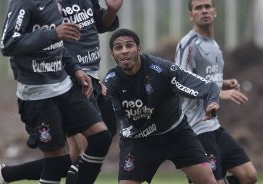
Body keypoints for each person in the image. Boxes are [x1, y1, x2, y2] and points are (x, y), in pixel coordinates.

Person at [0, 0, 114, 184]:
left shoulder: (54, 4)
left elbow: (58, 47)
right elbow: (8, 44)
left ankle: (3, 175)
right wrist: (53, 34)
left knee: (101, 138)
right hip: (38, 95)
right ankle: (3, 175)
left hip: (65, 87)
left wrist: (76, 69)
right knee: (57, 162)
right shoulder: (23, 3)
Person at [103, 28, 220, 184]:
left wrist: (211, 102)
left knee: (209, 181)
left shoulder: (161, 69)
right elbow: (110, 123)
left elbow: (206, 86)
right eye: (118, 48)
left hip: (176, 133)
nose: (124, 51)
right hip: (139, 142)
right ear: (112, 55)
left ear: (138, 49)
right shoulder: (111, 83)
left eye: (129, 45)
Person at [175, 0, 258, 184]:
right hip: (196, 128)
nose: (204, 10)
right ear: (190, 15)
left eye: (207, 6)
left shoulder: (213, 44)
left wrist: (223, 83)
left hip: (213, 127)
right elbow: (180, 83)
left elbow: (205, 78)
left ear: (214, 11)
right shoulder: (189, 44)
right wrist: (217, 93)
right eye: (198, 8)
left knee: (248, 176)